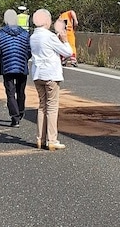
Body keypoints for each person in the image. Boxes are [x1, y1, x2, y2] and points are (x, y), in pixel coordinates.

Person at [30, 8, 73, 151]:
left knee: (42, 106)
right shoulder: (49, 36)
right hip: (51, 75)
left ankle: (40, 139)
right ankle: (52, 140)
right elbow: (67, 52)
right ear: (47, 21)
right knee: (52, 107)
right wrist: (65, 40)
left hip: (37, 74)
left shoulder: (33, 36)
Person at [0, 9, 31, 127]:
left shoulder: (0, 33)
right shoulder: (25, 33)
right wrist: (25, 58)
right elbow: (29, 50)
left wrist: (0, 60)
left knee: (10, 92)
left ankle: (15, 117)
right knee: (21, 91)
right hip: (22, 66)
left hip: (7, 66)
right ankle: (20, 111)